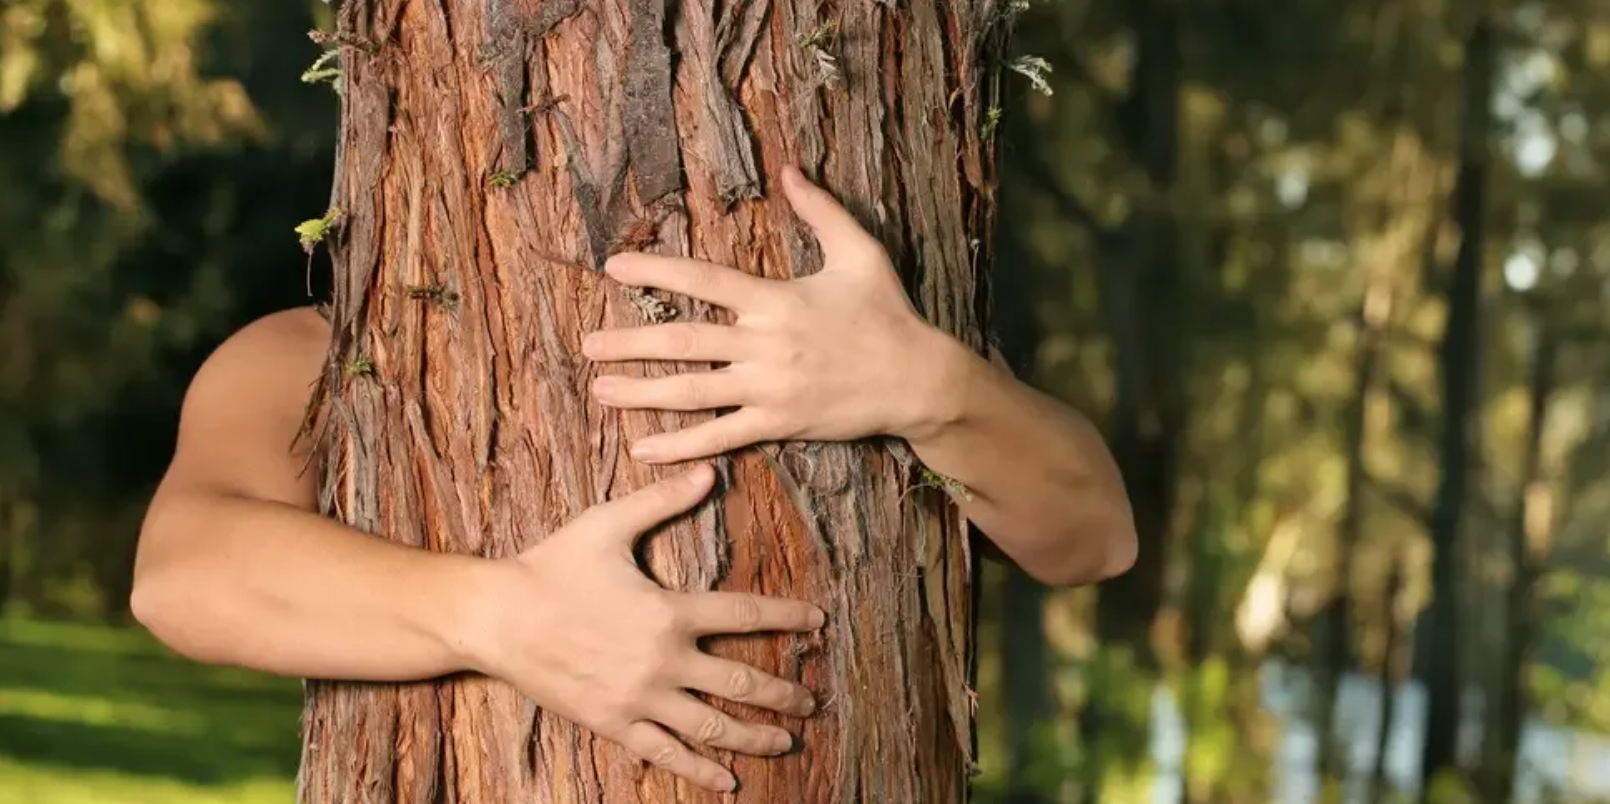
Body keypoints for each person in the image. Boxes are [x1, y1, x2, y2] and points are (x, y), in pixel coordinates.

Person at [130, 166, 1136, 793]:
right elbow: (180, 576)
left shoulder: (856, 324)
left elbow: (1093, 537)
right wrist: (498, 616)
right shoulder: (321, 354)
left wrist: (929, 389)